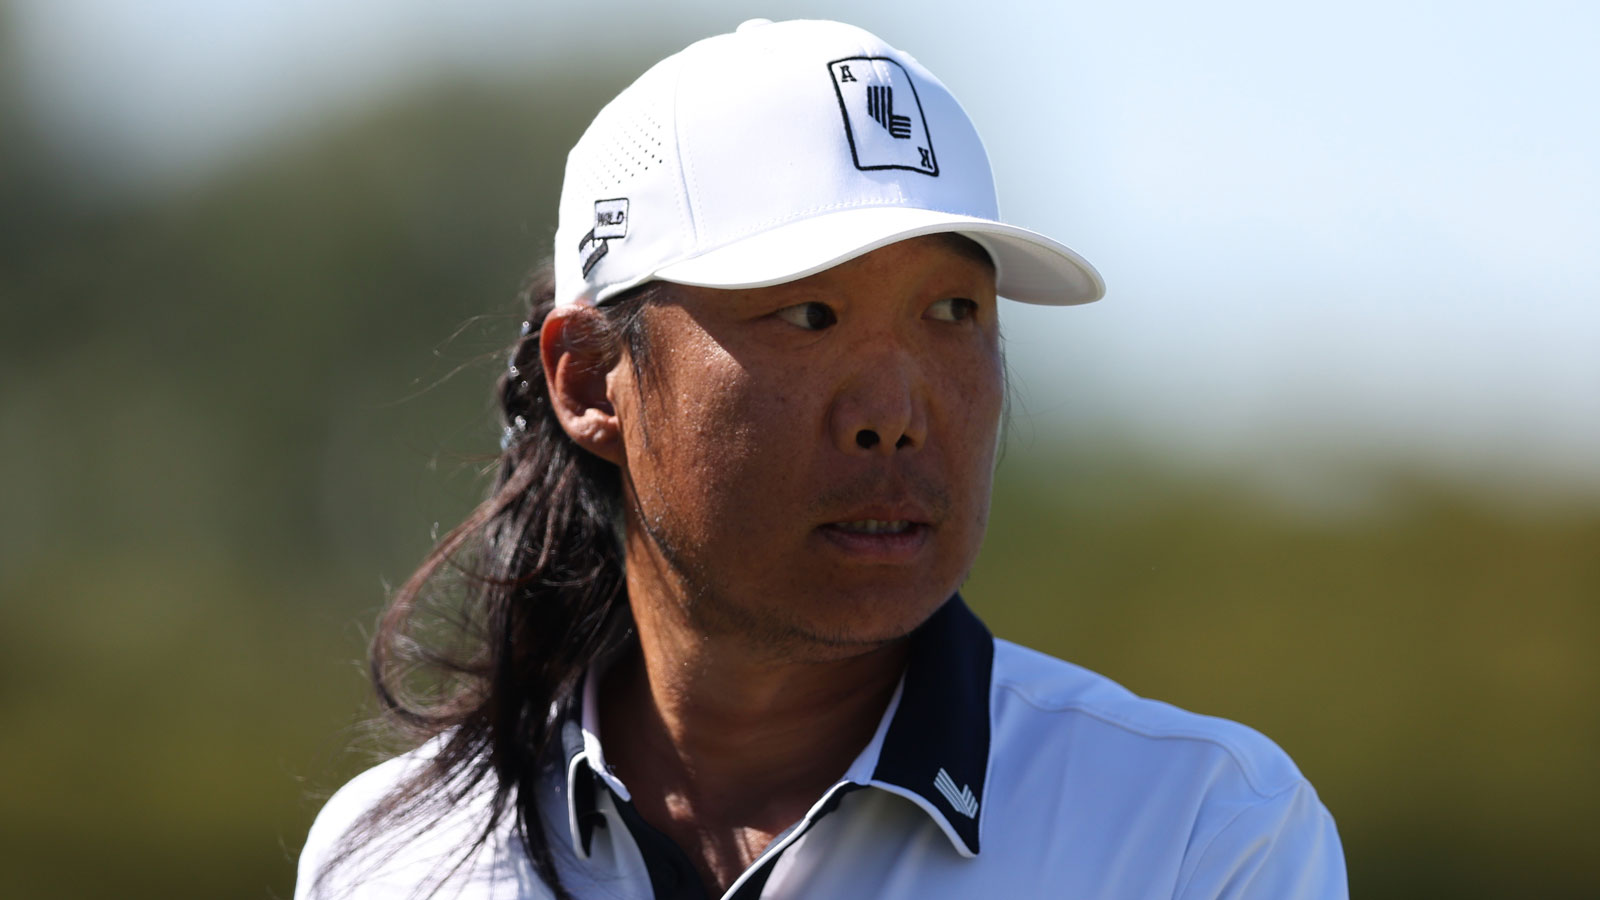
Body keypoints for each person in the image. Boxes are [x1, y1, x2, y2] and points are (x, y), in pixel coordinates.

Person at [294, 18, 1347, 900]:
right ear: (586, 382)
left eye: (951, 311)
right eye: (807, 313)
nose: (894, 413)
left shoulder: (1197, 837)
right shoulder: (394, 858)